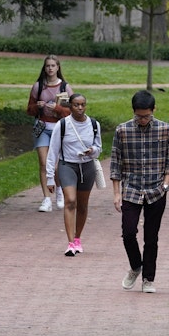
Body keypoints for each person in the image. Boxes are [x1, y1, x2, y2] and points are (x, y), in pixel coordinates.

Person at [111, 90, 169, 294]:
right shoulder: (122, 131)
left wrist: (165, 185)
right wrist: (116, 193)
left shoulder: (165, 130)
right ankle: (136, 265)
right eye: (138, 116)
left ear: (153, 110)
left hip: (156, 190)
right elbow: (115, 163)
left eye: (146, 116)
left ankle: (148, 278)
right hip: (131, 189)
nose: (142, 119)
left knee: (151, 236)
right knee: (128, 232)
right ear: (133, 112)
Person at [46, 93, 102, 256]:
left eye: (82, 104)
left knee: (83, 205)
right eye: (76, 105)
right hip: (67, 166)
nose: (79, 108)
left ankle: (77, 238)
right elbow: (53, 151)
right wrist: (50, 177)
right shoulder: (63, 125)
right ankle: (70, 243)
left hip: (87, 167)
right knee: (70, 201)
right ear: (70, 106)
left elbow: (98, 147)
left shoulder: (93, 124)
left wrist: (92, 150)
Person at [26, 55, 73, 212]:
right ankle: (46, 199)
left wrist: (57, 109)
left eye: (53, 65)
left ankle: (59, 192)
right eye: (48, 66)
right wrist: (38, 107)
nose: (50, 68)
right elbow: (29, 109)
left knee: (57, 165)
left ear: (58, 67)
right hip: (42, 127)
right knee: (43, 163)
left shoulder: (64, 87)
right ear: (44, 68)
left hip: (58, 128)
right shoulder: (38, 87)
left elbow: (70, 112)